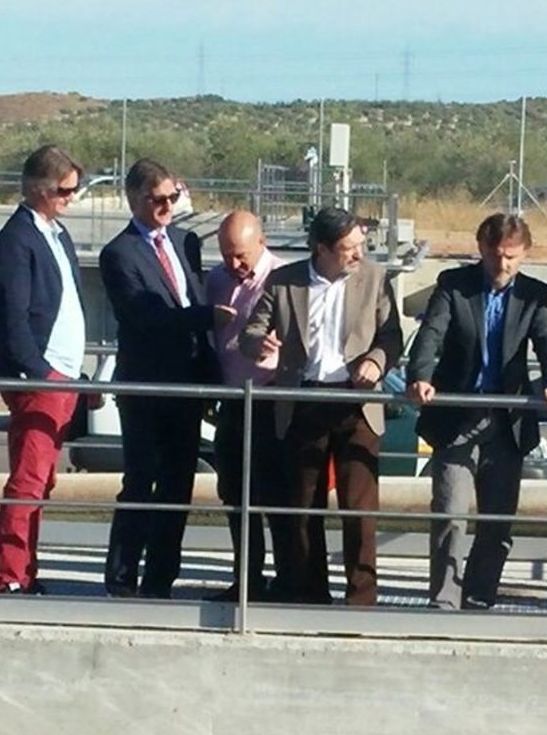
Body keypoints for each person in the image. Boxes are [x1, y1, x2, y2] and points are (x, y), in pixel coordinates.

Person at [406, 212, 547, 610]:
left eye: (511, 256)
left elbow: (546, 342)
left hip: (506, 422)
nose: (502, 264)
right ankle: (444, 600)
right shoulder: (453, 285)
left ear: (525, 253)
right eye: (495, 254)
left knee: (497, 521)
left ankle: (479, 596)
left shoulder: (533, 294)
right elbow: (431, 334)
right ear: (481, 248)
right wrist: (420, 376)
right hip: (456, 417)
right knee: (449, 513)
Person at [239, 207, 401, 606]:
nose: (359, 254)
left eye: (362, 245)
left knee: (359, 508)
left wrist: (376, 361)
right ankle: (309, 595)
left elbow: (392, 336)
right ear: (322, 249)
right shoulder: (285, 281)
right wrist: (259, 343)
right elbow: (251, 331)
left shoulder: (375, 278)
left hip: (357, 403)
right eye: (349, 248)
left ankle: (361, 600)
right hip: (304, 403)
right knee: (303, 507)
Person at [99, 160, 215, 599]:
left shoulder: (186, 242)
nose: (168, 206)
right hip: (145, 386)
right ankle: (122, 577)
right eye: (158, 199)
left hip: (188, 384)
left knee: (178, 484)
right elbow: (146, 317)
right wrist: (208, 317)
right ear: (134, 200)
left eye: (173, 197)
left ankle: (160, 578)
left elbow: (193, 295)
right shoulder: (119, 253)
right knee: (140, 481)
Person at [0, 143, 89, 595]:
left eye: (74, 190)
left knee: (42, 479)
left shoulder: (57, 234)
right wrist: (37, 372)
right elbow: (13, 317)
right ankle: (9, 575)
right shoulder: (16, 240)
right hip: (40, 378)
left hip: (63, 376)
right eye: (64, 190)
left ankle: (25, 571)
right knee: (29, 478)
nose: (71, 198)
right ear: (37, 188)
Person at [205, 209, 284, 601]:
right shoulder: (216, 280)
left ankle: (288, 580)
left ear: (261, 243)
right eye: (226, 255)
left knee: (277, 495)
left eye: (241, 255)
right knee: (234, 494)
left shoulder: (285, 280)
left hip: (272, 400)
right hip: (232, 402)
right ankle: (247, 580)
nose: (233, 264)